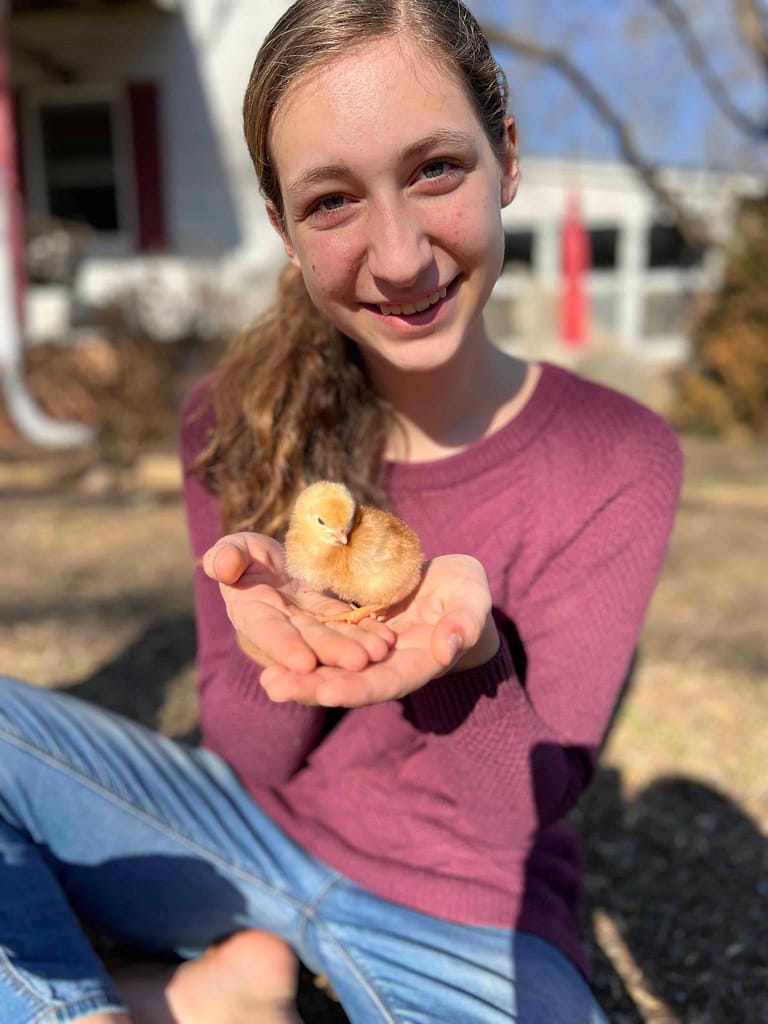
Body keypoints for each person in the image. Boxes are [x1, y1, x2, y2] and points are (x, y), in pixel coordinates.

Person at [0, 0, 683, 1021]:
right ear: (283, 227)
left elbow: (515, 819)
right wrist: (284, 627)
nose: (401, 257)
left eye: (435, 170)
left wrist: (468, 660)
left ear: (507, 156)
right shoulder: (235, 419)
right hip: (235, 835)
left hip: (464, 908)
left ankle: (209, 991)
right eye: (332, 202)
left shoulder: (618, 456)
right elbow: (252, 759)